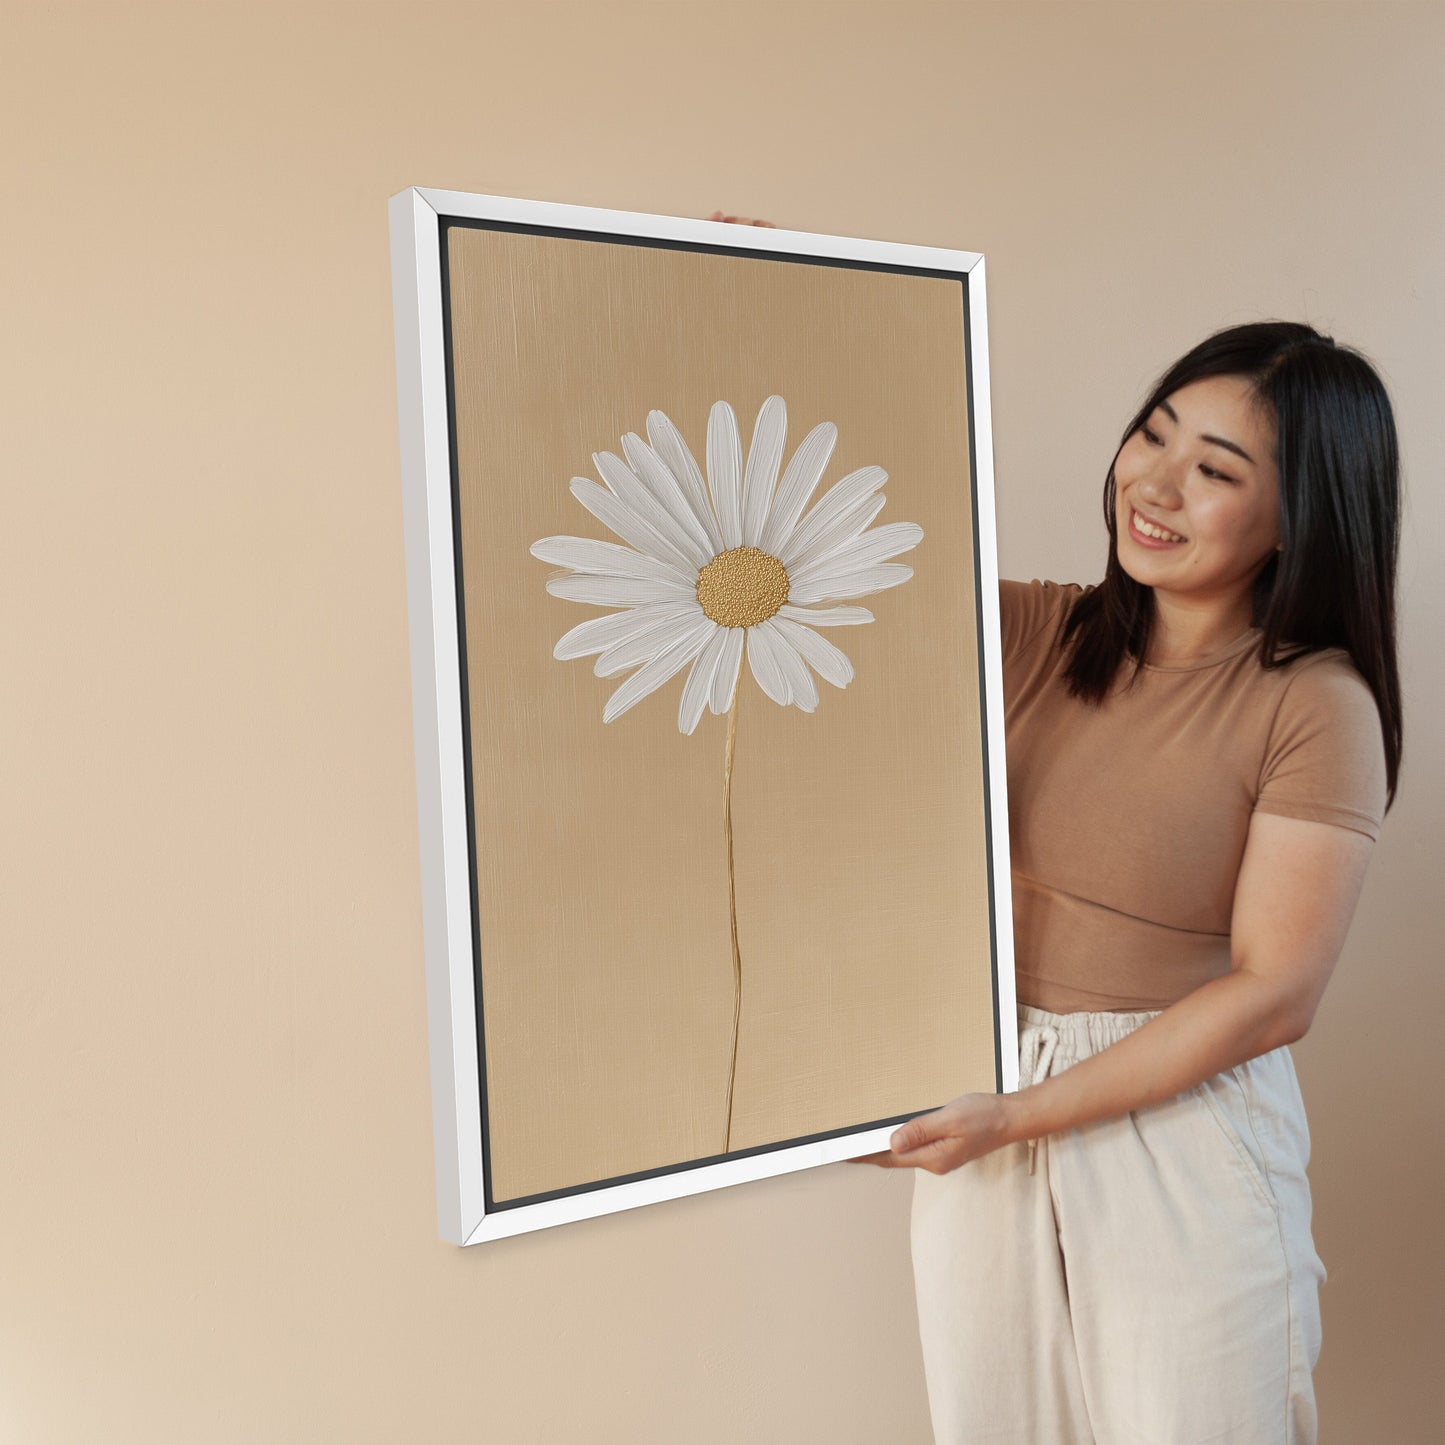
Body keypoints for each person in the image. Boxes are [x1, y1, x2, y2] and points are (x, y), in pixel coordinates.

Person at [704, 217, 1402, 1440]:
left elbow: (1273, 992)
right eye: (1151, 432)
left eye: (1214, 469)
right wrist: (766, 311)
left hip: (1181, 1127)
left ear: (1297, 515)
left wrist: (1016, 1114)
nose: (1154, 482)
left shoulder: (1312, 701)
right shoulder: (1030, 629)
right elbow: (803, 559)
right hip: (990, 1092)